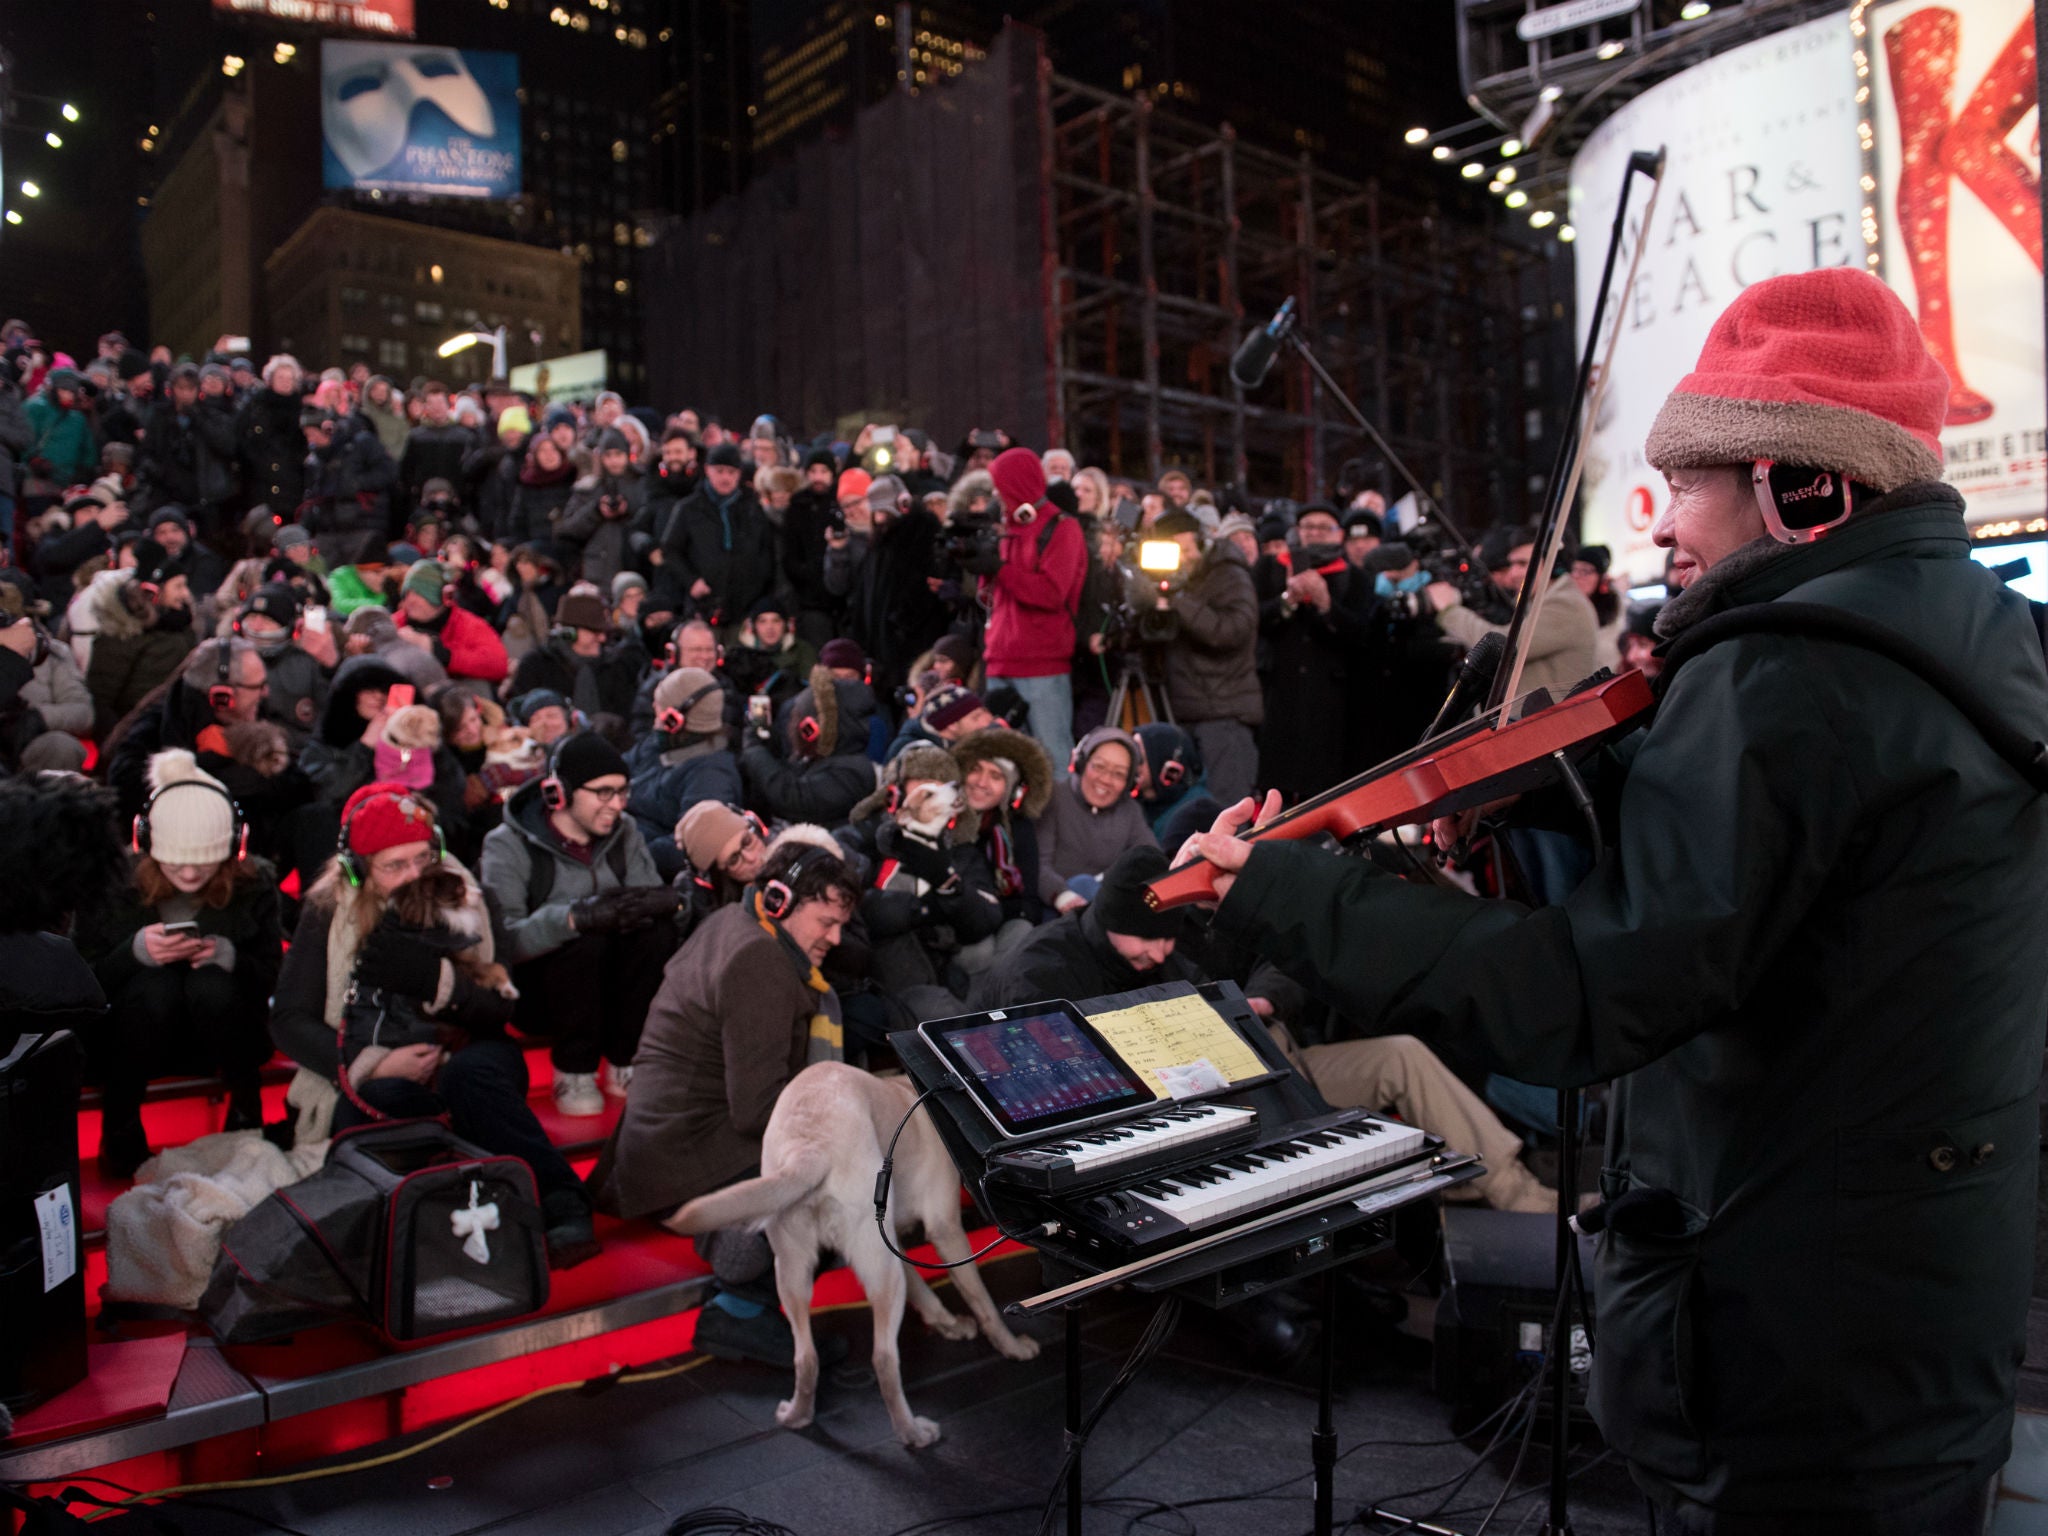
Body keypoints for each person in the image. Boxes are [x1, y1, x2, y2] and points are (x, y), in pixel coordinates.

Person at [1187, 268, 2048, 1533]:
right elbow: (1811, 861)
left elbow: (1582, 997)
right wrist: (1561, 786)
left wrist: (1294, 894)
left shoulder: (1783, 675)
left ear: (1800, 485)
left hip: (1784, 1356)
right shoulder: (1978, 634)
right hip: (1912, 1314)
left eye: (1687, 483)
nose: (1659, 525)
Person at [971, 847, 1557, 1213]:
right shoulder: (1043, 971)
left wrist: (1262, 1003)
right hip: (1188, 1119)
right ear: (1110, 924)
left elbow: (1273, 957)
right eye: (1149, 938)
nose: (1163, 950)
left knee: (1401, 1054)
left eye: (1170, 936)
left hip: (1264, 1078)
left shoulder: (1168, 944)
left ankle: (1513, 1191)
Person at [270, 783, 599, 1267]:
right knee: (380, 1102)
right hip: (371, 1055)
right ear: (358, 870)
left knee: (473, 1078)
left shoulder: (470, 896)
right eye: (394, 866)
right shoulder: (326, 911)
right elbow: (288, 1019)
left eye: (423, 859)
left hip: (470, 1047)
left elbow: (500, 1008)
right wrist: (370, 1065)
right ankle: (416, 1231)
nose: (412, 876)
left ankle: (560, 1200)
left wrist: (438, 981)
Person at [586, 838, 861, 1366]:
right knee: (853, 1180)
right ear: (779, 901)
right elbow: (758, 1111)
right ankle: (739, 1306)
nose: (835, 936)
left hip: (658, 1145)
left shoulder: (735, 924)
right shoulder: (760, 961)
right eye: (826, 921)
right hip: (684, 1155)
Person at [76, 751, 282, 1178]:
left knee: (209, 982)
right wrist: (132, 953)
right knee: (155, 985)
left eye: (203, 859)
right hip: (134, 1036)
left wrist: (231, 959)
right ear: (147, 843)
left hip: (220, 1032)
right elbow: (83, 987)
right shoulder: (112, 885)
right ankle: (121, 1128)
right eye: (176, 859)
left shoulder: (254, 885)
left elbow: (272, 978)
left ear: (231, 848)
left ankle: (246, 1111)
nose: (189, 872)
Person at [479, 733, 679, 1116]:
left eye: (622, 793)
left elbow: (647, 898)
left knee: (656, 934)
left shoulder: (627, 832)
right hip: (542, 988)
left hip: (615, 987)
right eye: (604, 793)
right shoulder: (507, 845)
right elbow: (503, 940)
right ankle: (573, 1070)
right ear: (561, 793)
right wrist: (573, 917)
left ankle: (626, 1059)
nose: (616, 805)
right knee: (584, 942)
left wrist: (671, 902)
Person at [981, 447, 1085, 770]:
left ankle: (1063, 823)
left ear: (1017, 484)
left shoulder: (1063, 528)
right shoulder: (1007, 527)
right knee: (1000, 766)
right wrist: (983, 567)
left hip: (1042, 664)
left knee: (1052, 762)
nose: (997, 493)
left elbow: (1051, 594)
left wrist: (999, 568)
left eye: (1002, 484)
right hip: (1000, 658)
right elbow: (992, 596)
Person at [1256, 503, 1367, 804]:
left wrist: (1325, 604)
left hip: (1331, 706)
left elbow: (1362, 634)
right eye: (1308, 527)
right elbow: (1253, 620)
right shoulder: (1269, 567)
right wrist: (1287, 600)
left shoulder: (1356, 578)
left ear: (1339, 535)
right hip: (1277, 696)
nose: (1315, 533)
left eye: (1323, 527)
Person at [1152, 507, 1261, 805]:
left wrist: (1178, 601)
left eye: (1186, 550)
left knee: (1228, 813)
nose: (1182, 559)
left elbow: (1232, 631)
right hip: (1184, 711)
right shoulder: (1172, 580)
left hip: (1223, 712)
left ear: (1202, 541)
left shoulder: (1229, 573)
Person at [1427, 525, 1599, 697]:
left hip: (1551, 721)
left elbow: (1500, 648)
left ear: (1555, 565)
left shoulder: (1566, 604)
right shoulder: (1540, 600)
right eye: (1512, 564)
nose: (1514, 573)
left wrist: (1449, 610)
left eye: (1523, 564)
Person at [948, 723, 1053, 964]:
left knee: (1021, 934)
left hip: (1000, 920)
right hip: (956, 925)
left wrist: (998, 913)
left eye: (995, 776)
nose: (981, 782)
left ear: (1011, 791)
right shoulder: (944, 815)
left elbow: (1028, 899)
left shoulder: (1017, 828)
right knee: (980, 950)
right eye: (976, 769)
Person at [626, 666, 744, 879]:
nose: (653, 707)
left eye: (660, 704)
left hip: (643, 866)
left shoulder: (711, 776)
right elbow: (620, 768)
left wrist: (625, 850)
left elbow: (687, 847)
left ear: (675, 719)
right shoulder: (660, 741)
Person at [739, 663, 881, 829]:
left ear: (811, 729)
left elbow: (792, 798)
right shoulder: (815, 760)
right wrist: (770, 746)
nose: (791, 727)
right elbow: (784, 778)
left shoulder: (852, 773)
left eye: (796, 718)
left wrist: (754, 751)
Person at [1036, 725, 1157, 913]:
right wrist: (1061, 895)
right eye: (1099, 766)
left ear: (1129, 783)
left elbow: (1150, 861)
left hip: (1107, 908)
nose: (1106, 779)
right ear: (1081, 763)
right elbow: (1037, 865)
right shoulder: (1054, 797)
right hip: (1055, 909)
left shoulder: (1130, 811)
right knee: (1082, 885)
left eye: (1119, 774)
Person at [657, 441, 776, 630]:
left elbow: (766, 553)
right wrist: (692, 581)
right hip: (702, 604)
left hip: (746, 607)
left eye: (731, 472)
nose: (725, 478)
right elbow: (670, 550)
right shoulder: (688, 508)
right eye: (719, 471)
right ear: (708, 470)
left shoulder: (753, 509)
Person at [83, 547, 197, 739]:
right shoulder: (121, 634)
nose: (185, 593)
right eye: (178, 586)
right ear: (152, 591)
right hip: (135, 734)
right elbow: (101, 700)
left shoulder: (183, 625)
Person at [394, 559, 508, 689]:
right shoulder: (394, 624)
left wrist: (439, 652)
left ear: (439, 597)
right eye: (407, 593)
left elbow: (497, 665)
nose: (410, 600)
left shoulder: (467, 625)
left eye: (419, 594)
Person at [559, 427, 645, 590]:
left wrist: (628, 509)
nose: (614, 461)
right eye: (608, 455)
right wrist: (596, 511)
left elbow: (650, 519)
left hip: (635, 571)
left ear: (627, 455)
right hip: (598, 573)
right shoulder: (587, 489)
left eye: (618, 454)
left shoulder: (642, 484)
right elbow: (568, 529)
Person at [235, 356, 308, 515]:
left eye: (290, 378)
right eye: (280, 377)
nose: (285, 381)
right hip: (259, 481)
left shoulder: (303, 410)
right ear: (270, 379)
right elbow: (242, 439)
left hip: (292, 482)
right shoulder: (255, 406)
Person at [397, 381, 475, 523]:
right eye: (431, 403)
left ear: (448, 404)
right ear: (425, 406)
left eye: (440, 402)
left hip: (457, 506)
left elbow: (469, 472)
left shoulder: (464, 436)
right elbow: (407, 472)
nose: (436, 408)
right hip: (423, 505)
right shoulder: (416, 436)